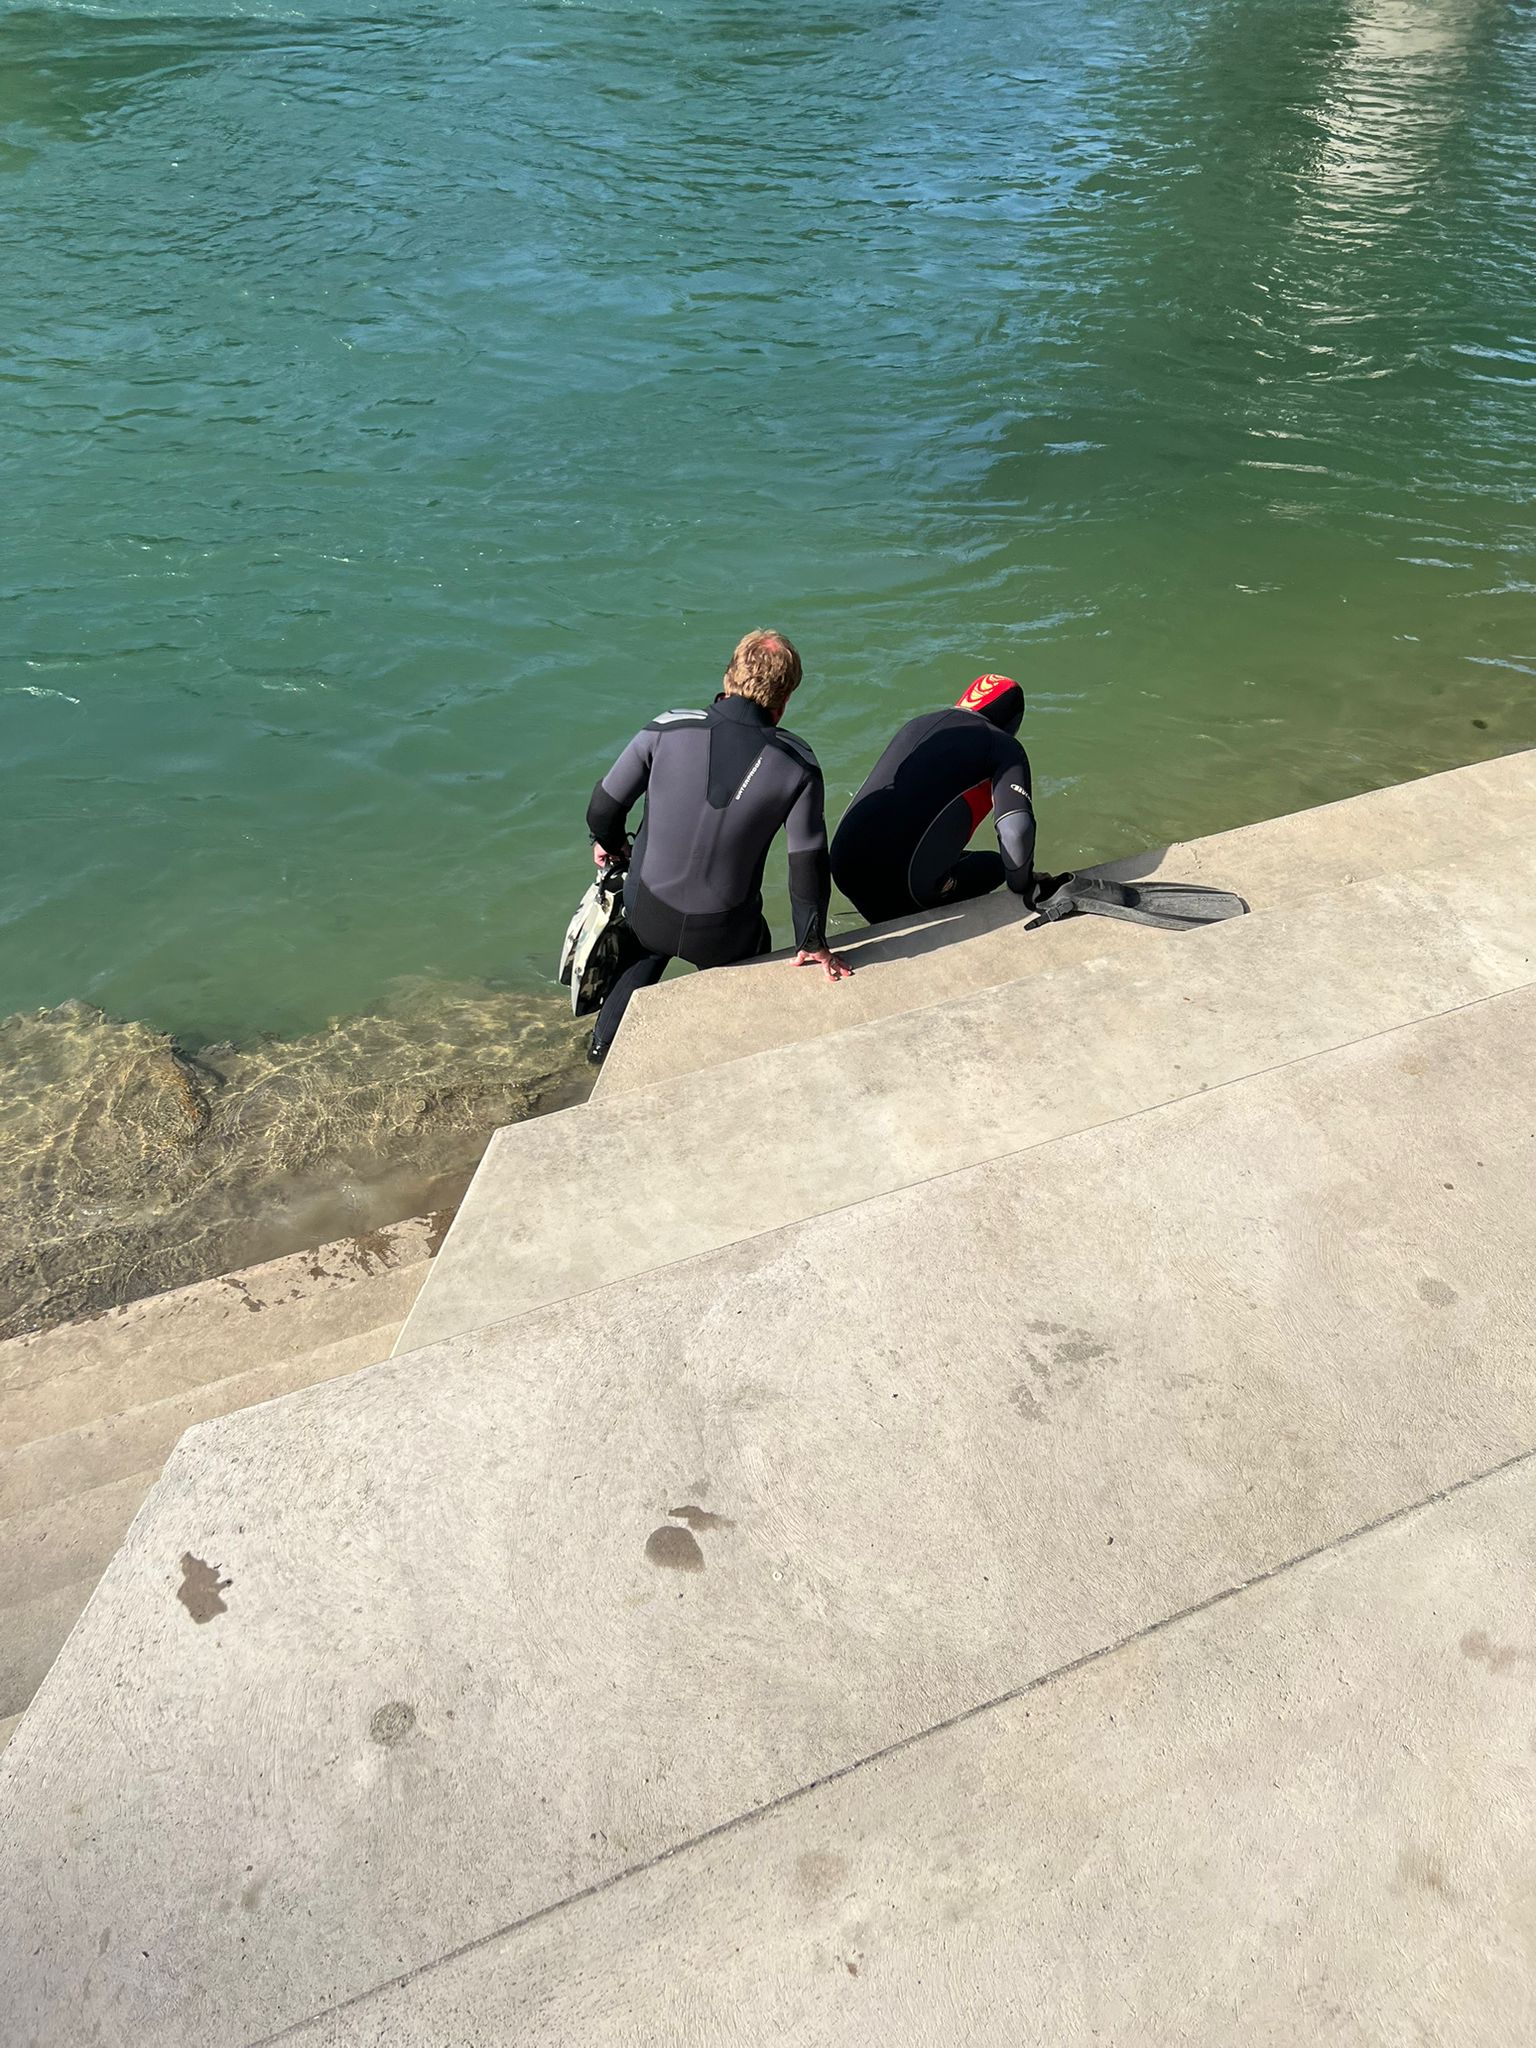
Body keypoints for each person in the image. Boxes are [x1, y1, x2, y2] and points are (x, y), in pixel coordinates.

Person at [584, 629, 852, 1062]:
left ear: (729, 676)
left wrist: (610, 844)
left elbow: (602, 809)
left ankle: (601, 1049)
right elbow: (808, 865)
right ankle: (739, 1052)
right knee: (754, 947)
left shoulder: (666, 727)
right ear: (785, 699)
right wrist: (812, 941)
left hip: (648, 911)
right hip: (725, 935)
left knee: (643, 942)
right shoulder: (797, 764)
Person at [830, 673, 1041, 924]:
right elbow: (1016, 832)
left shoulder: (918, 724)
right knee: (995, 867)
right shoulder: (1003, 746)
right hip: (901, 883)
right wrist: (1023, 885)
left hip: (843, 866)